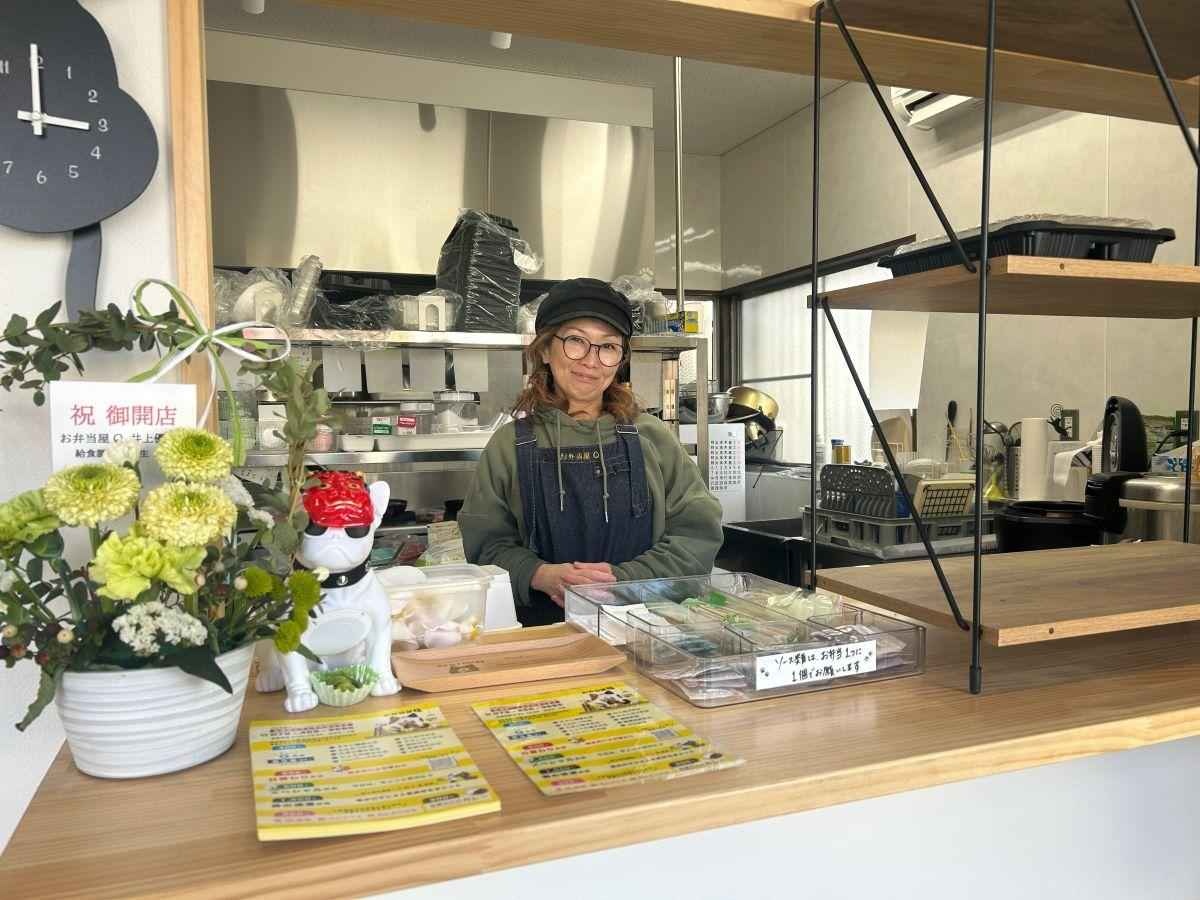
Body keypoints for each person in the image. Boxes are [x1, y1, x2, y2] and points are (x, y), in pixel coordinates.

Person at [459, 278, 723, 626]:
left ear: (620, 360)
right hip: (541, 635)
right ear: (544, 350)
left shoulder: (653, 437)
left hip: (645, 632)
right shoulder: (508, 446)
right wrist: (538, 574)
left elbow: (697, 534)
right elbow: (485, 547)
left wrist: (624, 579)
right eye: (576, 341)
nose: (591, 360)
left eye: (608, 346)